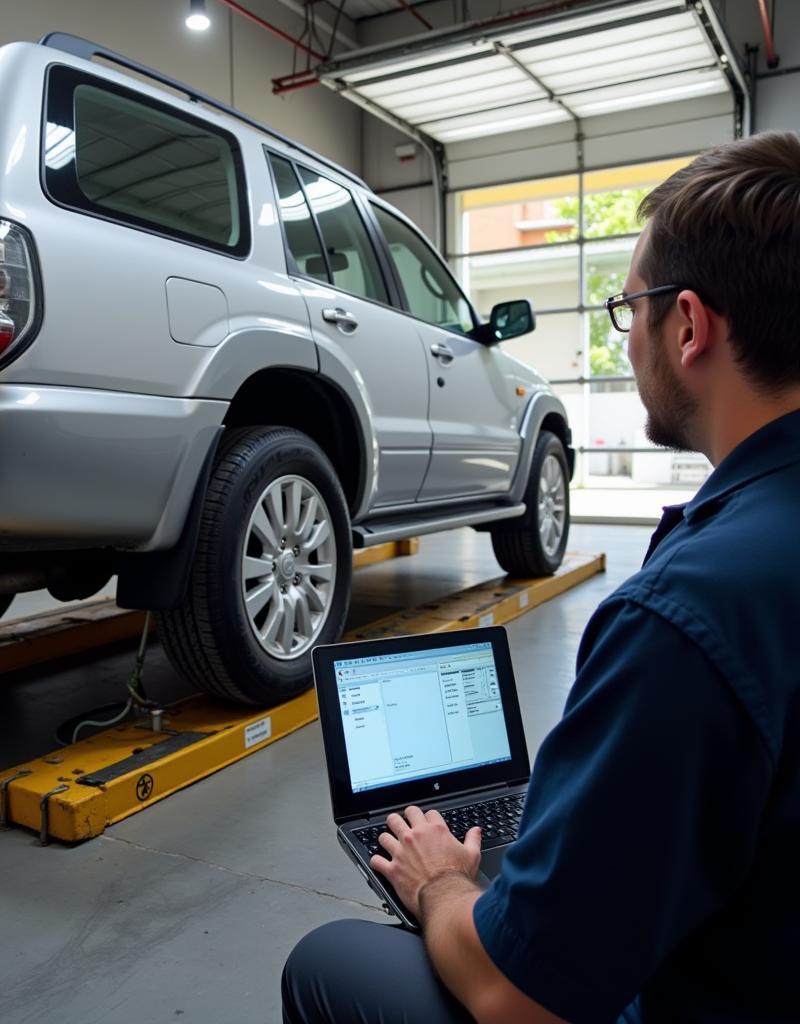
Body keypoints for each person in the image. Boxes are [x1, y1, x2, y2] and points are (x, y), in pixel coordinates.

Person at [282, 131, 800, 1024]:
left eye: (627, 306)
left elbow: (517, 998)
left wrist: (444, 884)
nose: (626, 333)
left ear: (687, 326)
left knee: (326, 960)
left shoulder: (689, 616)